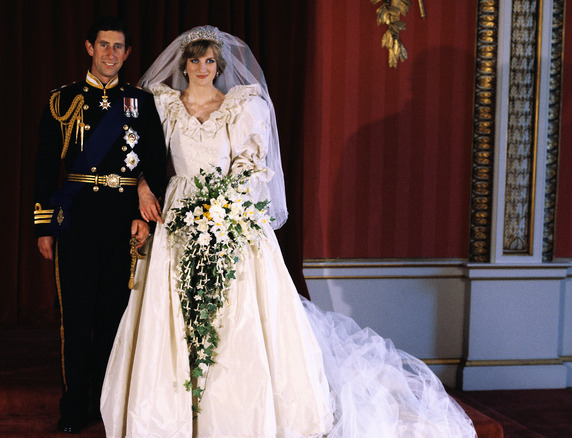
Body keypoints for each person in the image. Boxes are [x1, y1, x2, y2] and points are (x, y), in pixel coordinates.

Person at [100, 26, 477, 437]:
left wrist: (225, 206)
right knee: (170, 310)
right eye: (195, 60)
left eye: (210, 61)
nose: (202, 68)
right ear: (184, 65)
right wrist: (142, 188)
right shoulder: (164, 105)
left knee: (238, 312)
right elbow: (140, 155)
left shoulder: (242, 107)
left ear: (219, 66)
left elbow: (249, 162)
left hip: (229, 211)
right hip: (178, 213)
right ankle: (171, 413)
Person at [33, 16, 167, 434]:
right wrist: (43, 224)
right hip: (75, 221)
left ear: (127, 54)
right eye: (103, 46)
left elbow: (157, 162)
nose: (111, 54)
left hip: (123, 223)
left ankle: (106, 405)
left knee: (113, 318)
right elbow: (43, 167)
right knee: (75, 319)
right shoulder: (63, 100)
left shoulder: (140, 103)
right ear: (89, 48)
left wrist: (144, 212)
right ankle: (74, 407)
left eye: (118, 48)